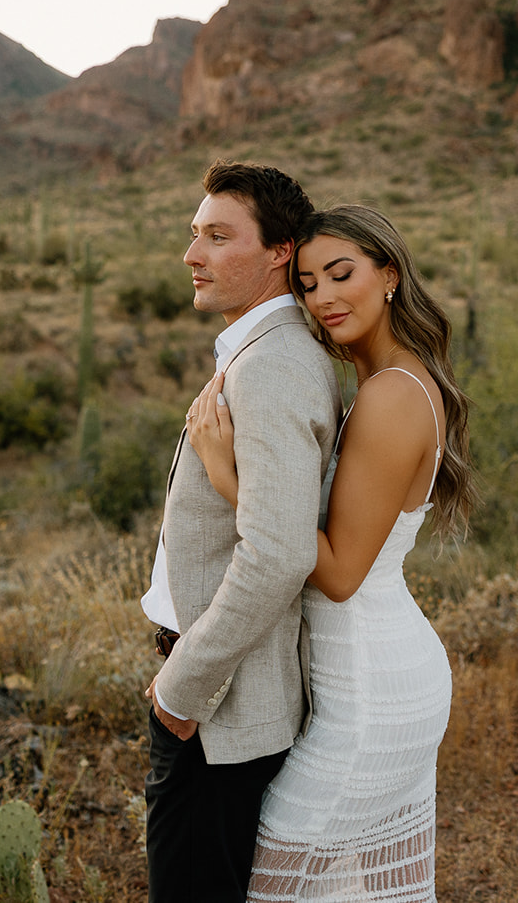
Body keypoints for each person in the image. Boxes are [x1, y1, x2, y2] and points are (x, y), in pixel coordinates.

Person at [186, 204, 477, 902]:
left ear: (389, 276)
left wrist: (230, 479)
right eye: (310, 282)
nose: (322, 297)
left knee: (279, 885)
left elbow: (342, 573)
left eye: (341, 274)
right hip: (372, 673)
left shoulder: (391, 396)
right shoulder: (390, 382)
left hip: (371, 688)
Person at [141, 160, 343, 903]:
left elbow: (279, 552)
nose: (193, 254)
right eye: (194, 234)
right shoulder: (259, 353)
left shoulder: (274, 366)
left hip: (220, 711)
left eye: (218, 236)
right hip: (214, 701)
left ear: (279, 251)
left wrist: (181, 688)